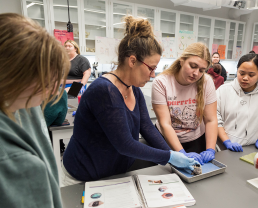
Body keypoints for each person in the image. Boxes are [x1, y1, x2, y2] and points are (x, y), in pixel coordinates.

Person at [62, 16, 198, 184]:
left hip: (113, 174)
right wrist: (169, 156)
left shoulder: (133, 88)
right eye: (151, 68)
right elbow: (125, 144)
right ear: (132, 60)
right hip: (82, 176)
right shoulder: (104, 90)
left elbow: (147, 127)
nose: (153, 75)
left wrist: (178, 154)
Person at [0, 13, 69, 208]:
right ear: (15, 76)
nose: (50, 92)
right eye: (45, 82)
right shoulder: (9, 158)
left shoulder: (21, 104)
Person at [152, 42, 218, 165]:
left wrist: (210, 149)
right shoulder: (161, 82)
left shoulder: (207, 82)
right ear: (182, 60)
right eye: (193, 66)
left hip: (196, 138)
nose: (196, 73)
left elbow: (211, 120)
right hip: (166, 139)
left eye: (202, 70)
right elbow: (165, 124)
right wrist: (181, 153)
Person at [216, 52, 258, 152]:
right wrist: (227, 142)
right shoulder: (223, 91)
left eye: (251, 75)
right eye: (241, 73)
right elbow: (215, 119)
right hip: (222, 148)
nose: (245, 78)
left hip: (250, 147)